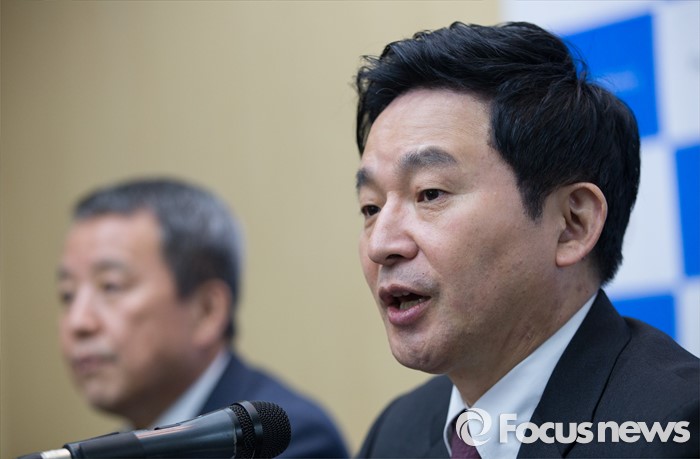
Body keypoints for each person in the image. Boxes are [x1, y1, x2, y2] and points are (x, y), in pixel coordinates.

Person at [352, 21, 699, 458]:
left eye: (430, 193)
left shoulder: (677, 430)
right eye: (371, 208)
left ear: (572, 224)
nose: (381, 245)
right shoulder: (393, 435)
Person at [57, 177, 348, 458]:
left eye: (111, 286)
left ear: (206, 311)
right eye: (67, 295)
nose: (78, 322)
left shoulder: (284, 440)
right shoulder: (121, 447)